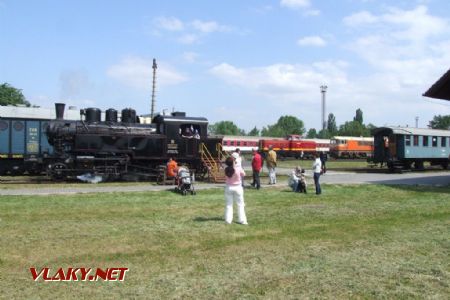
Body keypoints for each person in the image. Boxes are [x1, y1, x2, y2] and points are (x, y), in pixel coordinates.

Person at [224, 156, 248, 225]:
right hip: (237, 187)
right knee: (240, 205)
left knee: (229, 205)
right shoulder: (238, 168)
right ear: (233, 162)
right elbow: (244, 174)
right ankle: (242, 220)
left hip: (229, 187)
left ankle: (228, 220)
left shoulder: (226, 169)